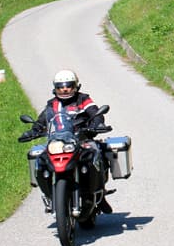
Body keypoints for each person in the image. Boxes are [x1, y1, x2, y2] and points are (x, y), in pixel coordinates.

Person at [18, 69, 112, 213]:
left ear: (76, 86)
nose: (65, 89)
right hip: (58, 141)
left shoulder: (83, 99)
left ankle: (101, 195)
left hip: (82, 138)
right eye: (60, 87)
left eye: (68, 85)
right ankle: (49, 195)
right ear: (55, 88)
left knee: (96, 152)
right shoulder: (52, 104)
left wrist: (97, 124)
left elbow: (95, 113)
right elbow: (42, 121)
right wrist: (33, 131)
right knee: (40, 159)